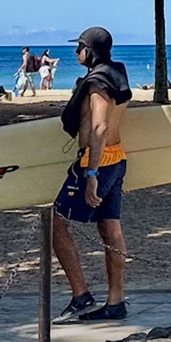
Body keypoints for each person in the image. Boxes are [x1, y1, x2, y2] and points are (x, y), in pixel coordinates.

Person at [50, 27, 134, 323]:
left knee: (55, 225)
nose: (76, 53)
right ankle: (115, 302)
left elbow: (98, 127)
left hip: (97, 162)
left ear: (91, 50)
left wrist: (93, 173)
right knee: (110, 230)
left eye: (80, 48)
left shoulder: (98, 82)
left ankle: (81, 296)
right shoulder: (117, 74)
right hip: (117, 158)